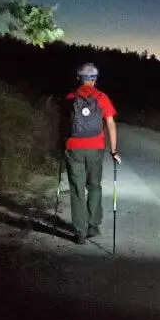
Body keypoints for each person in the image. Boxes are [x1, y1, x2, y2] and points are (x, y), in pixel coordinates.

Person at [61, 63, 121, 245]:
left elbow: (64, 124)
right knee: (94, 186)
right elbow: (111, 124)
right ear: (95, 79)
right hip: (95, 149)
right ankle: (93, 226)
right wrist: (114, 150)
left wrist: (61, 143)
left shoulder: (70, 98)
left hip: (74, 149)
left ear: (79, 78)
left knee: (77, 190)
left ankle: (80, 232)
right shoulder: (102, 98)